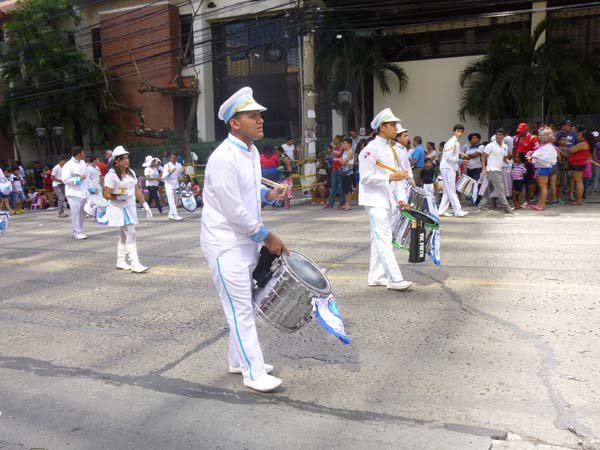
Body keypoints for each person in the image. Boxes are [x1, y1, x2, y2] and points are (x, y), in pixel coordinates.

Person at [201, 87, 288, 393]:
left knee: (243, 306)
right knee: (239, 309)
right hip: (225, 243)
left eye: (260, 115)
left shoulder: (249, 152)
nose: (260, 120)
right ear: (235, 123)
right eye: (253, 116)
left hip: (245, 240)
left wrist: (270, 194)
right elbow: (233, 209)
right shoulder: (223, 158)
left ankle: (238, 361)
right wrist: (268, 237)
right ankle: (254, 373)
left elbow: (249, 191)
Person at [358, 108, 413, 291]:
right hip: (374, 199)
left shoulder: (391, 149)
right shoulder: (370, 149)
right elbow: (365, 178)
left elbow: (396, 176)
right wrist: (390, 178)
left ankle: (376, 276)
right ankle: (395, 279)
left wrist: (401, 198)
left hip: (386, 199)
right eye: (393, 125)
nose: (396, 128)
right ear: (382, 127)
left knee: (378, 239)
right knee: (384, 238)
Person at [103, 146, 153, 273]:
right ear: (116, 161)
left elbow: (137, 190)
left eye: (127, 158)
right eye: (123, 158)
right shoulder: (111, 175)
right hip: (119, 208)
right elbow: (106, 194)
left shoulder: (131, 173)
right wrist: (118, 196)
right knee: (131, 232)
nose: (126, 160)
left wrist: (145, 204)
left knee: (124, 235)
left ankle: (120, 261)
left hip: (130, 207)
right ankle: (134, 263)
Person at [478, 129, 513, 214]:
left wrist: (509, 162)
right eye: (497, 134)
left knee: (490, 188)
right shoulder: (490, 145)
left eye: (500, 135)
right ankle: (507, 208)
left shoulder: (505, 146)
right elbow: (483, 156)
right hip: (491, 170)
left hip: (498, 169)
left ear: (503, 136)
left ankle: (481, 205)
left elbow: (504, 158)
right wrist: (483, 168)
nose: (498, 136)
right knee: (500, 189)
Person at [438, 125, 468, 217]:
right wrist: (460, 161)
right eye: (458, 131)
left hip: (449, 167)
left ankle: (441, 211)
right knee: (451, 190)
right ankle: (458, 210)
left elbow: (452, 155)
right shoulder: (452, 142)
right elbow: (448, 157)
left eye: (461, 131)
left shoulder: (455, 143)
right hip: (447, 167)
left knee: (447, 191)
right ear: (454, 132)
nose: (460, 133)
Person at [62, 146, 90, 239]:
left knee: (83, 212)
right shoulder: (68, 165)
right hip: (73, 193)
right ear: (79, 154)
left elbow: (87, 177)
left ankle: (80, 230)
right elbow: (65, 180)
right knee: (76, 213)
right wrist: (78, 179)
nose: (84, 154)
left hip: (84, 192)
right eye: (83, 152)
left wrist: (90, 188)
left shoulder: (83, 163)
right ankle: (77, 232)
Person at [528, 126, 558, 211]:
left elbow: (546, 158)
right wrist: (534, 154)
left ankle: (541, 205)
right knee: (542, 187)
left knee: (543, 187)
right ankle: (540, 204)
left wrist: (534, 157)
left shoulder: (547, 146)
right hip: (543, 167)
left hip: (543, 168)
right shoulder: (548, 146)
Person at [513, 122, 539, 206]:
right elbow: (514, 149)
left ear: (526, 130)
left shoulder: (532, 138)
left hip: (528, 163)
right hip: (518, 163)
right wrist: (514, 159)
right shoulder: (516, 138)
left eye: (521, 131)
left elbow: (537, 150)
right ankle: (518, 201)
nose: (520, 132)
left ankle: (528, 200)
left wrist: (530, 156)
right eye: (519, 131)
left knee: (529, 182)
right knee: (518, 181)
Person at [568, 129, 593, 205]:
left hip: (578, 164)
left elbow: (571, 150)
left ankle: (578, 200)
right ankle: (578, 199)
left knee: (578, 182)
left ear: (584, 137)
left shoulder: (583, 144)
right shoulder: (585, 143)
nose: (577, 136)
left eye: (579, 135)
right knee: (578, 181)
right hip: (579, 164)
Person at [162, 152, 184, 220]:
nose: (173, 159)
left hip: (176, 185)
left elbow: (180, 175)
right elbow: (163, 177)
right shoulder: (167, 165)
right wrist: (170, 172)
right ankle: (175, 215)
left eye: (175, 158)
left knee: (175, 201)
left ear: (177, 158)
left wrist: (183, 173)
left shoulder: (179, 165)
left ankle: (170, 214)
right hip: (168, 185)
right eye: (172, 158)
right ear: (170, 158)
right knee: (171, 200)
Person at [326, 136, 345, 209]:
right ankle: (331, 203)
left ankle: (342, 203)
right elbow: (334, 159)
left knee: (341, 186)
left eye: (335, 139)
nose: (334, 140)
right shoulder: (334, 148)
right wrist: (333, 167)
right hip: (334, 169)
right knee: (333, 186)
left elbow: (342, 157)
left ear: (339, 140)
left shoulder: (343, 148)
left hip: (341, 168)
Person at [340, 137, 355, 211]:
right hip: (344, 172)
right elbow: (342, 162)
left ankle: (349, 205)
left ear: (349, 144)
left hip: (349, 172)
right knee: (345, 189)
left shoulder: (350, 152)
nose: (343, 145)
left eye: (345, 143)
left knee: (349, 189)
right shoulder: (345, 152)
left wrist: (343, 162)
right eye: (343, 143)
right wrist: (343, 162)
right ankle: (346, 204)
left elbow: (343, 162)